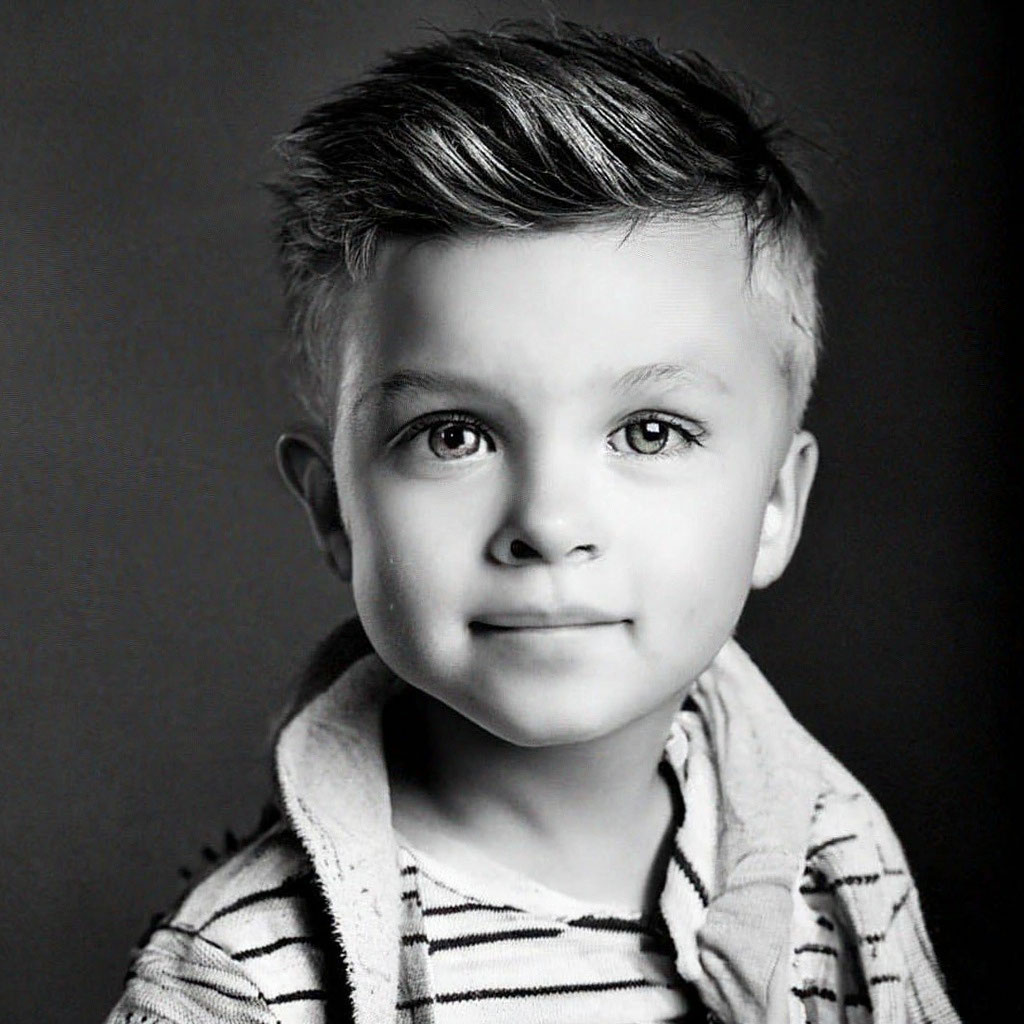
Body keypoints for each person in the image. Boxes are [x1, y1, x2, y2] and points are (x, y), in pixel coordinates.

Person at [104, 22, 959, 1024]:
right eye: (454, 435)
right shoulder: (242, 982)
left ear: (775, 506)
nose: (548, 524)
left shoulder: (841, 872)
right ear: (336, 511)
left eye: (649, 431)